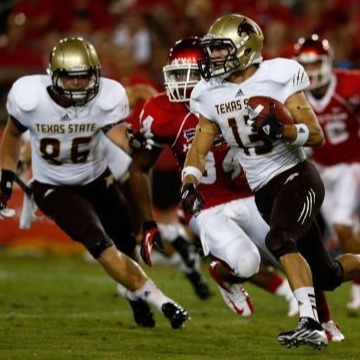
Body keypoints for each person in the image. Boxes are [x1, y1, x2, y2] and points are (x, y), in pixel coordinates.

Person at [180, 14, 360, 349]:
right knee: (326, 274)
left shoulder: (277, 74)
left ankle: (310, 324)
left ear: (245, 48)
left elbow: (316, 135)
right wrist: (188, 181)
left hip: (297, 177)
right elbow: (199, 145)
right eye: (213, 50)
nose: (214, 57)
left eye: (221, 50)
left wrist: (284, 130)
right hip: (263, 190)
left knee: (278, 238)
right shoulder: (208, 92)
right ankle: (317, 313)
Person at [0, 37, 188, 330]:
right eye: (72, 77)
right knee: (100, 244)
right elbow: (12, 135)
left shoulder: (105, 96)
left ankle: (134, 295)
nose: (79, 84)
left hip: (96, 178)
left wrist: (138, 142)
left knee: (127, 243)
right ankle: (162, 300)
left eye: (85, 76)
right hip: (54, 186)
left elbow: (120, 138)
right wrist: (6, 175)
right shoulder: (29, 97)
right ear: (54, 75)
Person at [128, 36, 300, 320]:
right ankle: (225, 276)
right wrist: (148, 222)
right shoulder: (163, 111)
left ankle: (320, 322)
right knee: (246, 265)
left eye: (192, 75)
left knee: (293, 251)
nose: (183, 83)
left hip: (250, 193)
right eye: (177, 75)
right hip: (205, 202)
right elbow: (138, 166)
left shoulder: (237, 94)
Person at [292, 34, 360, 310]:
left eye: (315, 64)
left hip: (350, 165)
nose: (310, 72)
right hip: (320, 169)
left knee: (342, 226)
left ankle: (358, 290)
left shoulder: (350, 84)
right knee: (341, 231)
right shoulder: (295, 95)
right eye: (305, 66)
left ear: (328, 62)